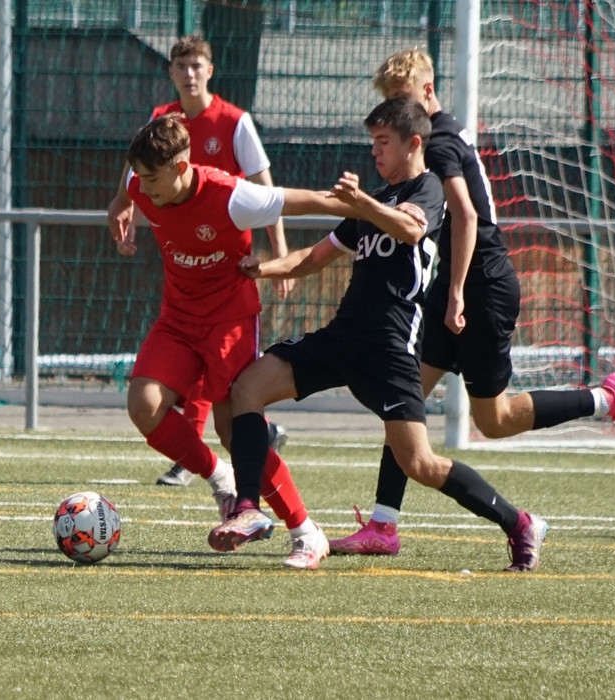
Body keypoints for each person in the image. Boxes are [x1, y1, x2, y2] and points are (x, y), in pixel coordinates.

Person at [326, 47, 615, 557]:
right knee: (408, 402)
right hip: (463, 282)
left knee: (494, 419)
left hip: (479, 284)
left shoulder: (436, 143)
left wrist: (456, 291)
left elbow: (464, 215)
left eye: (401, 98)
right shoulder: (443, 132)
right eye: (388, 101)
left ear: (427, 92)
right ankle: (383, 524)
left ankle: (606, 398)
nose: (394, 111)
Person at [210, 95, 551, 573]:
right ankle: (248, 508)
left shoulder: (428, 188)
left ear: (414, 144)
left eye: (383, 141)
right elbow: (315, 256)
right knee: (247, 388)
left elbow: (410, 230)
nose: (374, 151)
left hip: (390, 349)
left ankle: (519, 523)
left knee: (420, 464)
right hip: (343, 338)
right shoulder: (374, 202)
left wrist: (363, 204)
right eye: (372, 142)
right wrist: (261, 268)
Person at [113, 113, 377, 568]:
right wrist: (118, 204)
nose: (144, 188)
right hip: (177, 320)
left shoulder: (232, 196)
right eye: (139, 177)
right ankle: (220, 478)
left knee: (236, 430)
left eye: (152, 179)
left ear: (181, 167)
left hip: (228, 320)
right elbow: (128, 187)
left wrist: (376, 209)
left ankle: (306, 532)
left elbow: (305, 201)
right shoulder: (142, 185)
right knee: (143, 405)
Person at [107, 35, 290, 489]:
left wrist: (281, 255)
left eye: (196, 65)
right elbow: (133, 173)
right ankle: (211, 461)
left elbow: (267, 191)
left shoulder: (235, 122)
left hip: (229, 278)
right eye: (181, 66)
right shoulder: (160, 123)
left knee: (230, 411)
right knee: (165, 381)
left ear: (210, 70)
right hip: (185, 268)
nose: (189, 74)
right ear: (170, 71)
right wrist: (120, 205)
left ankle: (275, 496)